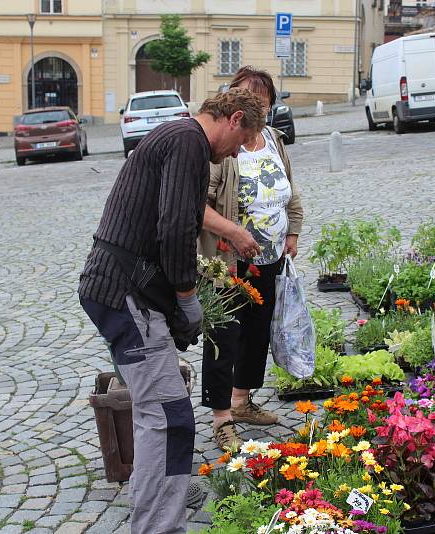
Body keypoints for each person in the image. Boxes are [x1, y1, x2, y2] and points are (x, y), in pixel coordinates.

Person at [78, 88, 265, 534]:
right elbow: (177, 225)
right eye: (239, 144)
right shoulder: (188, 142)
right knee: (167, 417)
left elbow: (174, 219)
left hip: (119, 290)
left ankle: (163, 507)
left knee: (159, 415)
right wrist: (186, 298)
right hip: (125, 293)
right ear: (234, 118)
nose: (233, 154)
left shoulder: (176, 135)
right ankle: (158, 526)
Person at [198, 66, 304, 451]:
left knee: (258, 330)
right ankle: (221, 416)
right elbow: (200, 204)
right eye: (245, 98)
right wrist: (231, 234)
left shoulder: (275, 139)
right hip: (228, 261)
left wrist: (292, 230)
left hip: (270, 256)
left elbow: (290, 190)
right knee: (224, 334)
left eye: (262, 101)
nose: (253, 107)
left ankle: (242, 401)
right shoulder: (221, 147)